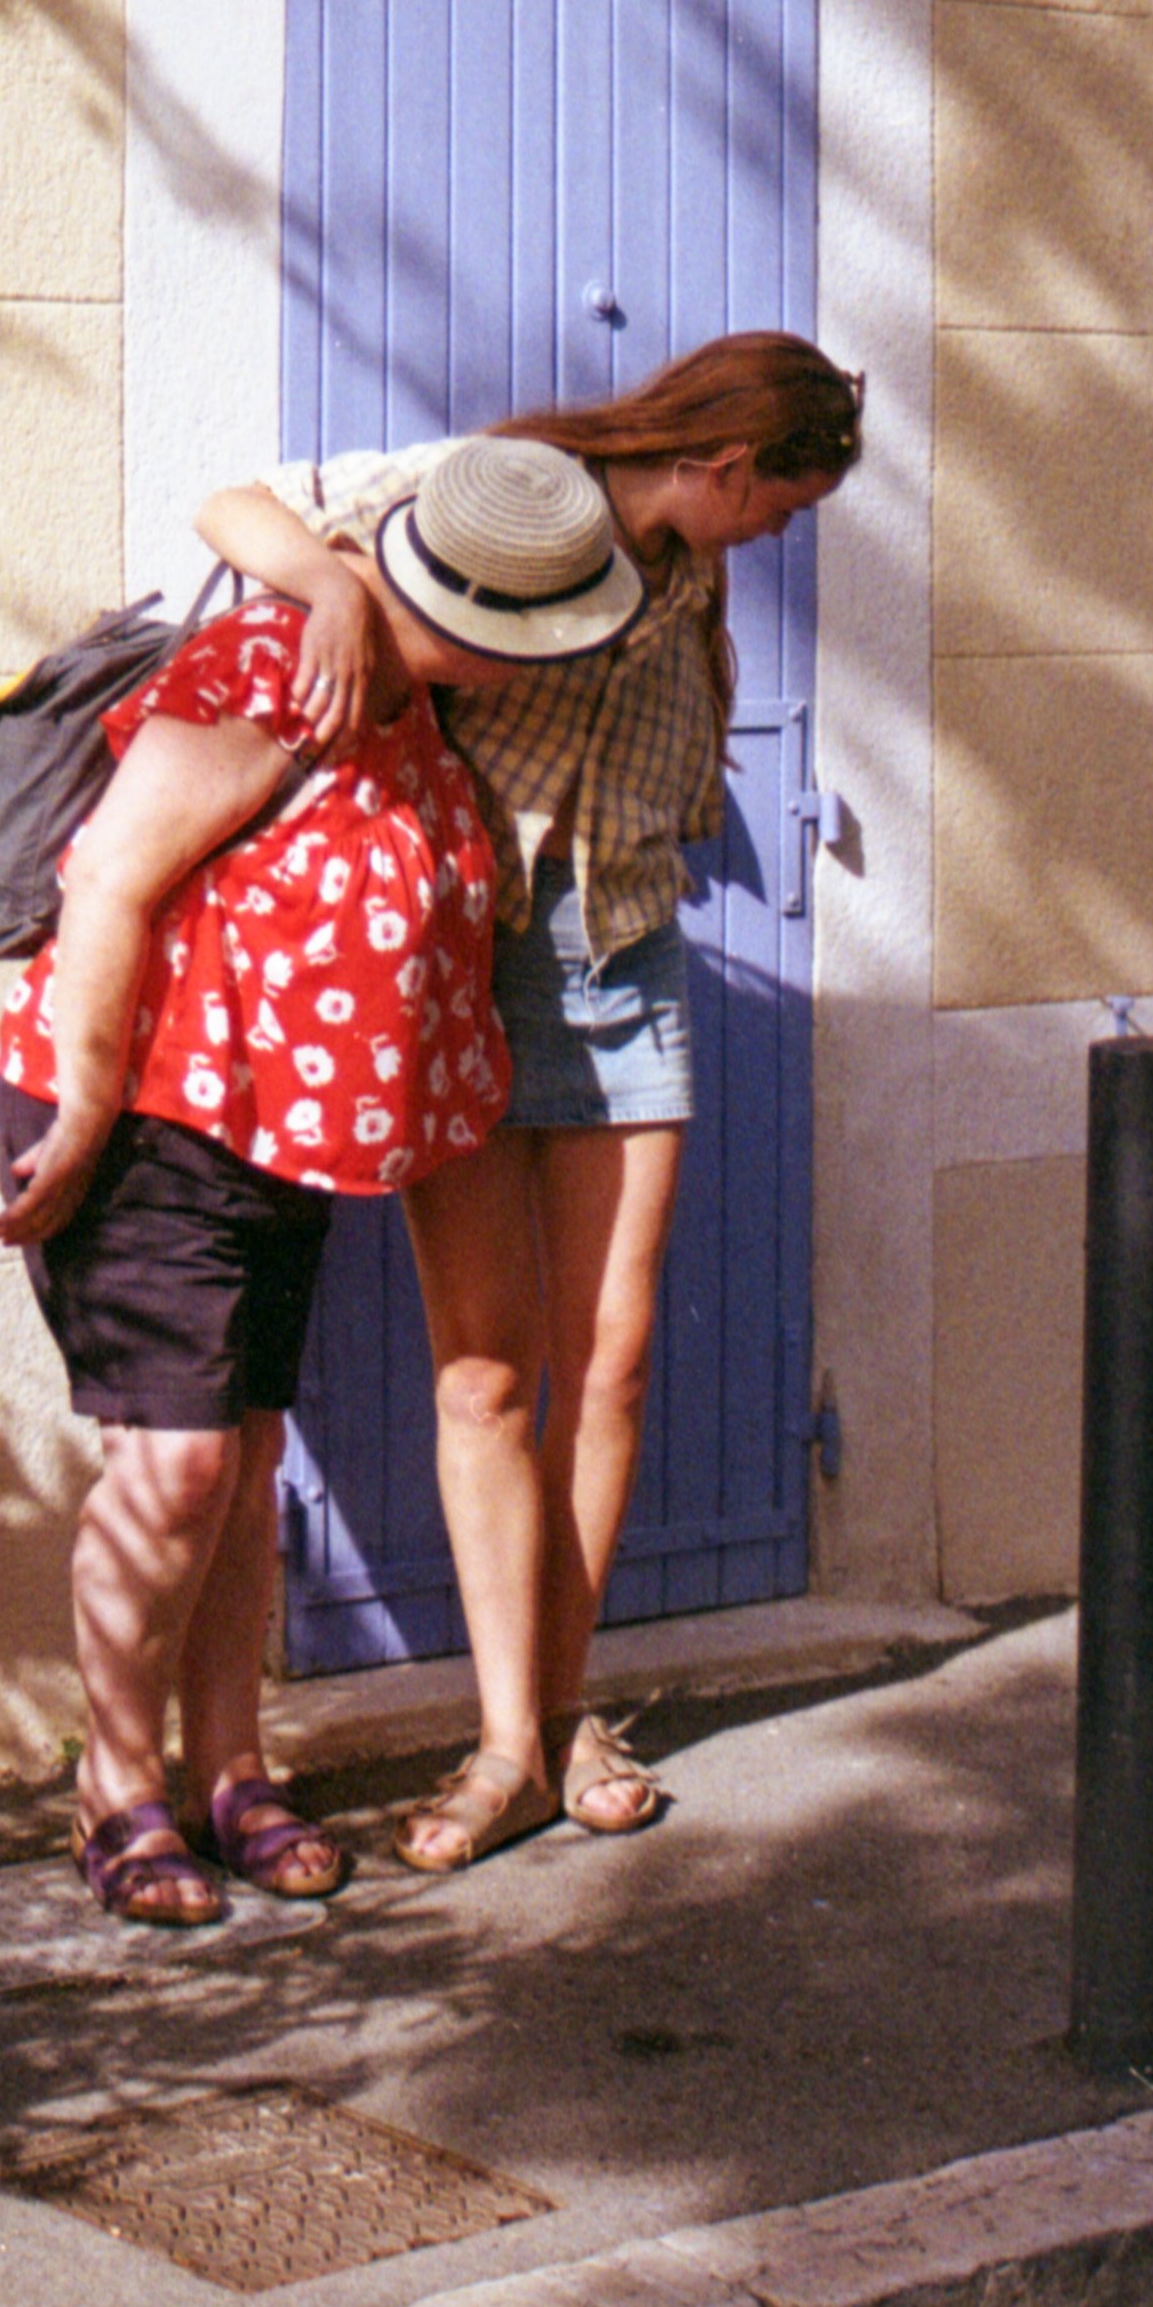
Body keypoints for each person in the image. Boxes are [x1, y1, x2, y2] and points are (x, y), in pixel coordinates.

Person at [196, 333, 864, 1874]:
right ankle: (506, 1742)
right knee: (486, 1374)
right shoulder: (508, 490)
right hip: (465, 959)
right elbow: (232, 505)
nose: (779, 534)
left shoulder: (692, 575)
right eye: (783, 504)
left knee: (610, 1364)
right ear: (727, 465)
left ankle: (564, 1716)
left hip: (627, 959)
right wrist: (338, 591)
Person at [0, 439, 641, 1925]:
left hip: (265, 1132)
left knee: (242, 1459)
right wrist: (82, 1112)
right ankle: (115, 1788)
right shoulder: (279, 664)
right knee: (174, 1469)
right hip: (141, 1113)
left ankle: (232, 1769)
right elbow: (109, 878)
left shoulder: (410, 705)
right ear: (479, 623)